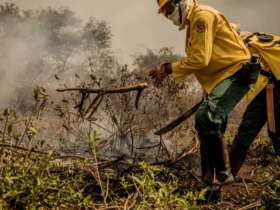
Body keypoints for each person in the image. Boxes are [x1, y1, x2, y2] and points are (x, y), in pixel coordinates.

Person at [149, 0, 272, 188]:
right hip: (224, 77)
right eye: (165, 12)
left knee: (207, 117)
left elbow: (200, 59)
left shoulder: (201, 17)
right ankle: (208, 183)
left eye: (169, 9)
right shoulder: (193, 22)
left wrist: (168, 68)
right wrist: (208, 91)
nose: (168, 16)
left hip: (237, 73)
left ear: (181, 2)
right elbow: (210, 61)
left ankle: (222, 176)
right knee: (208, 126)